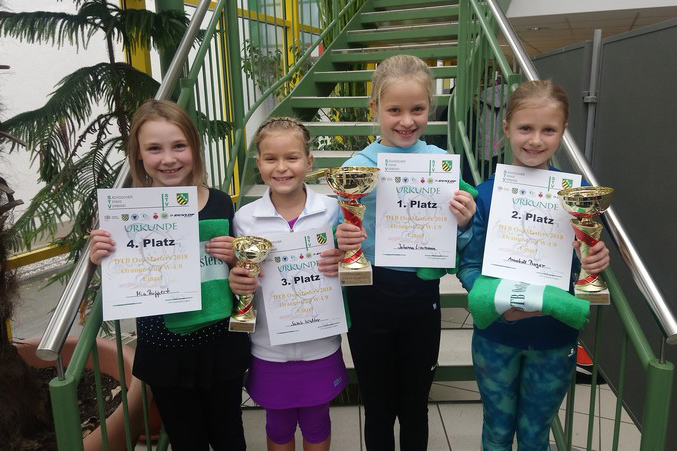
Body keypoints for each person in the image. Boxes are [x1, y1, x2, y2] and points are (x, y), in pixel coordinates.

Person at [457, 80, 611, 450]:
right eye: (526, 128)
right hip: (497, 335)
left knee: (535, 434)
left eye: (549, 130)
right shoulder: (487, 195)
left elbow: (581, 270)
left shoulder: (578, 197)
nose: (536, 140)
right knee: (496, 430)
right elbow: (469, 267)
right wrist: (500, 301)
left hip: (553, 339)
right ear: (506, 127)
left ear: (563, 131)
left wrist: (593, 263)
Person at [89, 99, 250, 451]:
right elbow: (125, 275)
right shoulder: (124, 212)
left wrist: (235, 257)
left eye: (179, 146)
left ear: (194, 147)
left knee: (230, 434)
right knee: (186, 440)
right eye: (154, 149)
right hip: (164, 349)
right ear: (138, 154)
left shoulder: (221, 202)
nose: (168, 159)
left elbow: (240, 272)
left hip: (221, 344)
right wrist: (103, 258)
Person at [335, 54, 477, 450]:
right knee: (378, 407)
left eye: (417, 109)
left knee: (415, 406)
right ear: (375, 108)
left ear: (430, 107)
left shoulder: (440, 165)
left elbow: (458, 245)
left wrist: (464, 224)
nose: (406, 121)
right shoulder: (356, 168)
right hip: (369, 295)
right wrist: (341, 238)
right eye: (394, 110)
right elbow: (336, 231)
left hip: (420, 297)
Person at [228, 117, 348, 451]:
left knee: (317, 422)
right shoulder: (245, 218)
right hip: (269, 346)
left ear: (309, 162)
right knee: (277, 425)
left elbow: (347, 261)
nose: (281, 167)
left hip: (320, 343)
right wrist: (238, 280)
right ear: (259, 164)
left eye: (292, 158)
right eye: (271, 159)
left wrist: (342, 261)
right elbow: (241, 271)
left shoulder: (331, 209)